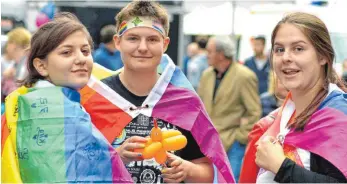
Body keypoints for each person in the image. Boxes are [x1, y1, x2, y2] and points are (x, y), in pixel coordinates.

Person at [79, 1, 234, 183]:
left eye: (152, 39)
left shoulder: (185, 103)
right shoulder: (95, 100)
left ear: (165, 44)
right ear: (118, 42)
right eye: (133, 38)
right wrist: (115, 158)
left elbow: (209, 173)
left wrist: (187, 169)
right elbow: (76, 168)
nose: (143, 47)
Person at [1, 12, 132, 183]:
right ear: (41, 65)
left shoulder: (25, 102)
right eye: (66, 52)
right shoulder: (59, 110)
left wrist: (115, 157)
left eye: (85, 51)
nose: (81, 59)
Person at [239, 12, 347, 183]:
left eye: (298, 49)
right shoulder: (283, 115)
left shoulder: (338, 114)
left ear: (323, 57)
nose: (286, 58)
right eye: (279, 49)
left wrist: (281, 166)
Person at [198, 35, 261, 182]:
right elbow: (199, 105)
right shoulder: (206, 75)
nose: (207, 55)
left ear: (221, 54)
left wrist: (240, 137)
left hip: (232, 144)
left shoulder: (244, 76)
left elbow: (254, 111)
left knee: (229, 181)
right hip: (207, 143)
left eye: (210, 51)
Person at [1, 27, 31, 103]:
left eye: (8, 43)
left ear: (13, 44)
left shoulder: (25, 63)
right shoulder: (18, 62)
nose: (6, 47)